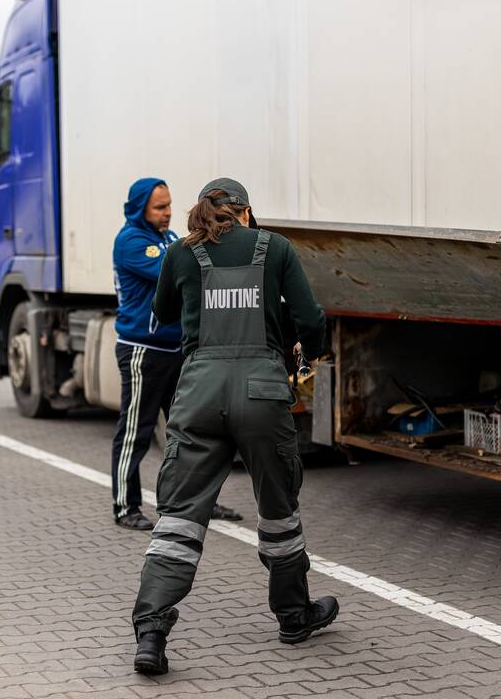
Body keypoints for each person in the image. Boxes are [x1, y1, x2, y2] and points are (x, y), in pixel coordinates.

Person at [130, 178, 338, 675]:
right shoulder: (277, 249)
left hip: (199, 393)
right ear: (246, 212)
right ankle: (293, 615)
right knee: (278, 511)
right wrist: (306, 349)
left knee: (179, 518)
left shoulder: (183, 252)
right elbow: (311, 318)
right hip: (262, 393)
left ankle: (152, 631)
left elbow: (162, 312)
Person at [111, 178, 242, 530]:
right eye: (159, 207)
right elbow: (178, 269)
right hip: (143, 351)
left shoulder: (169, 240)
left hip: (175, 350)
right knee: (135, 432)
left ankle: (198, 502)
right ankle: (125, 506)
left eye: (169, 205)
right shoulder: (131, 242)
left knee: (191, 432)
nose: (168, 213)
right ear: (141, 209)